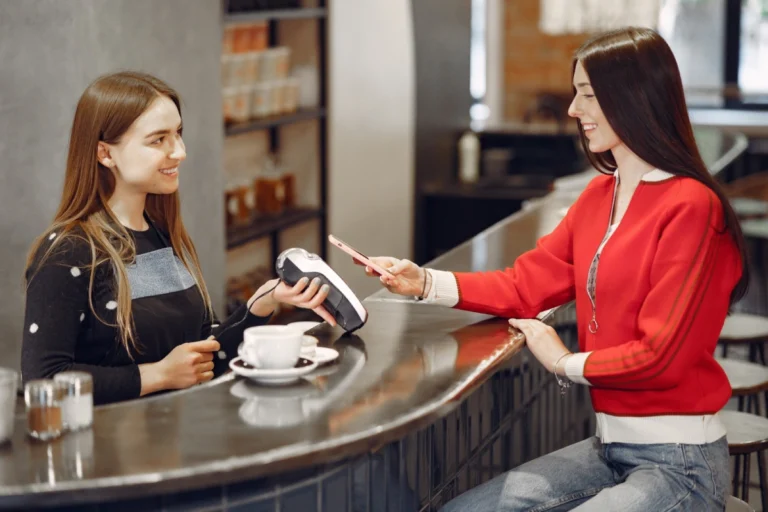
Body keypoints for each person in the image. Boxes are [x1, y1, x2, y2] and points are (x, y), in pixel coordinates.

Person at [361, 27, 748, 511]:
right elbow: (525, 285)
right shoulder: (599, 196)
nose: (573, 109)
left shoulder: (692, 206)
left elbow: (661, 355)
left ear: (634, 97)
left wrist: (564, 361)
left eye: (587, 95)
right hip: (609, 448)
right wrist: (423, 282)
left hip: (681, 464)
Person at [21, 71, 335, 406]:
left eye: (178, 134)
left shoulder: (160, 235)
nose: (180, 152)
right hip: (110, 440)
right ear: (105, 154)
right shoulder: (68, 250)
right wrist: (157, 375)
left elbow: (204, 358)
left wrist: (263, 302)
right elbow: (43, 380)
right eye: (158, 140)